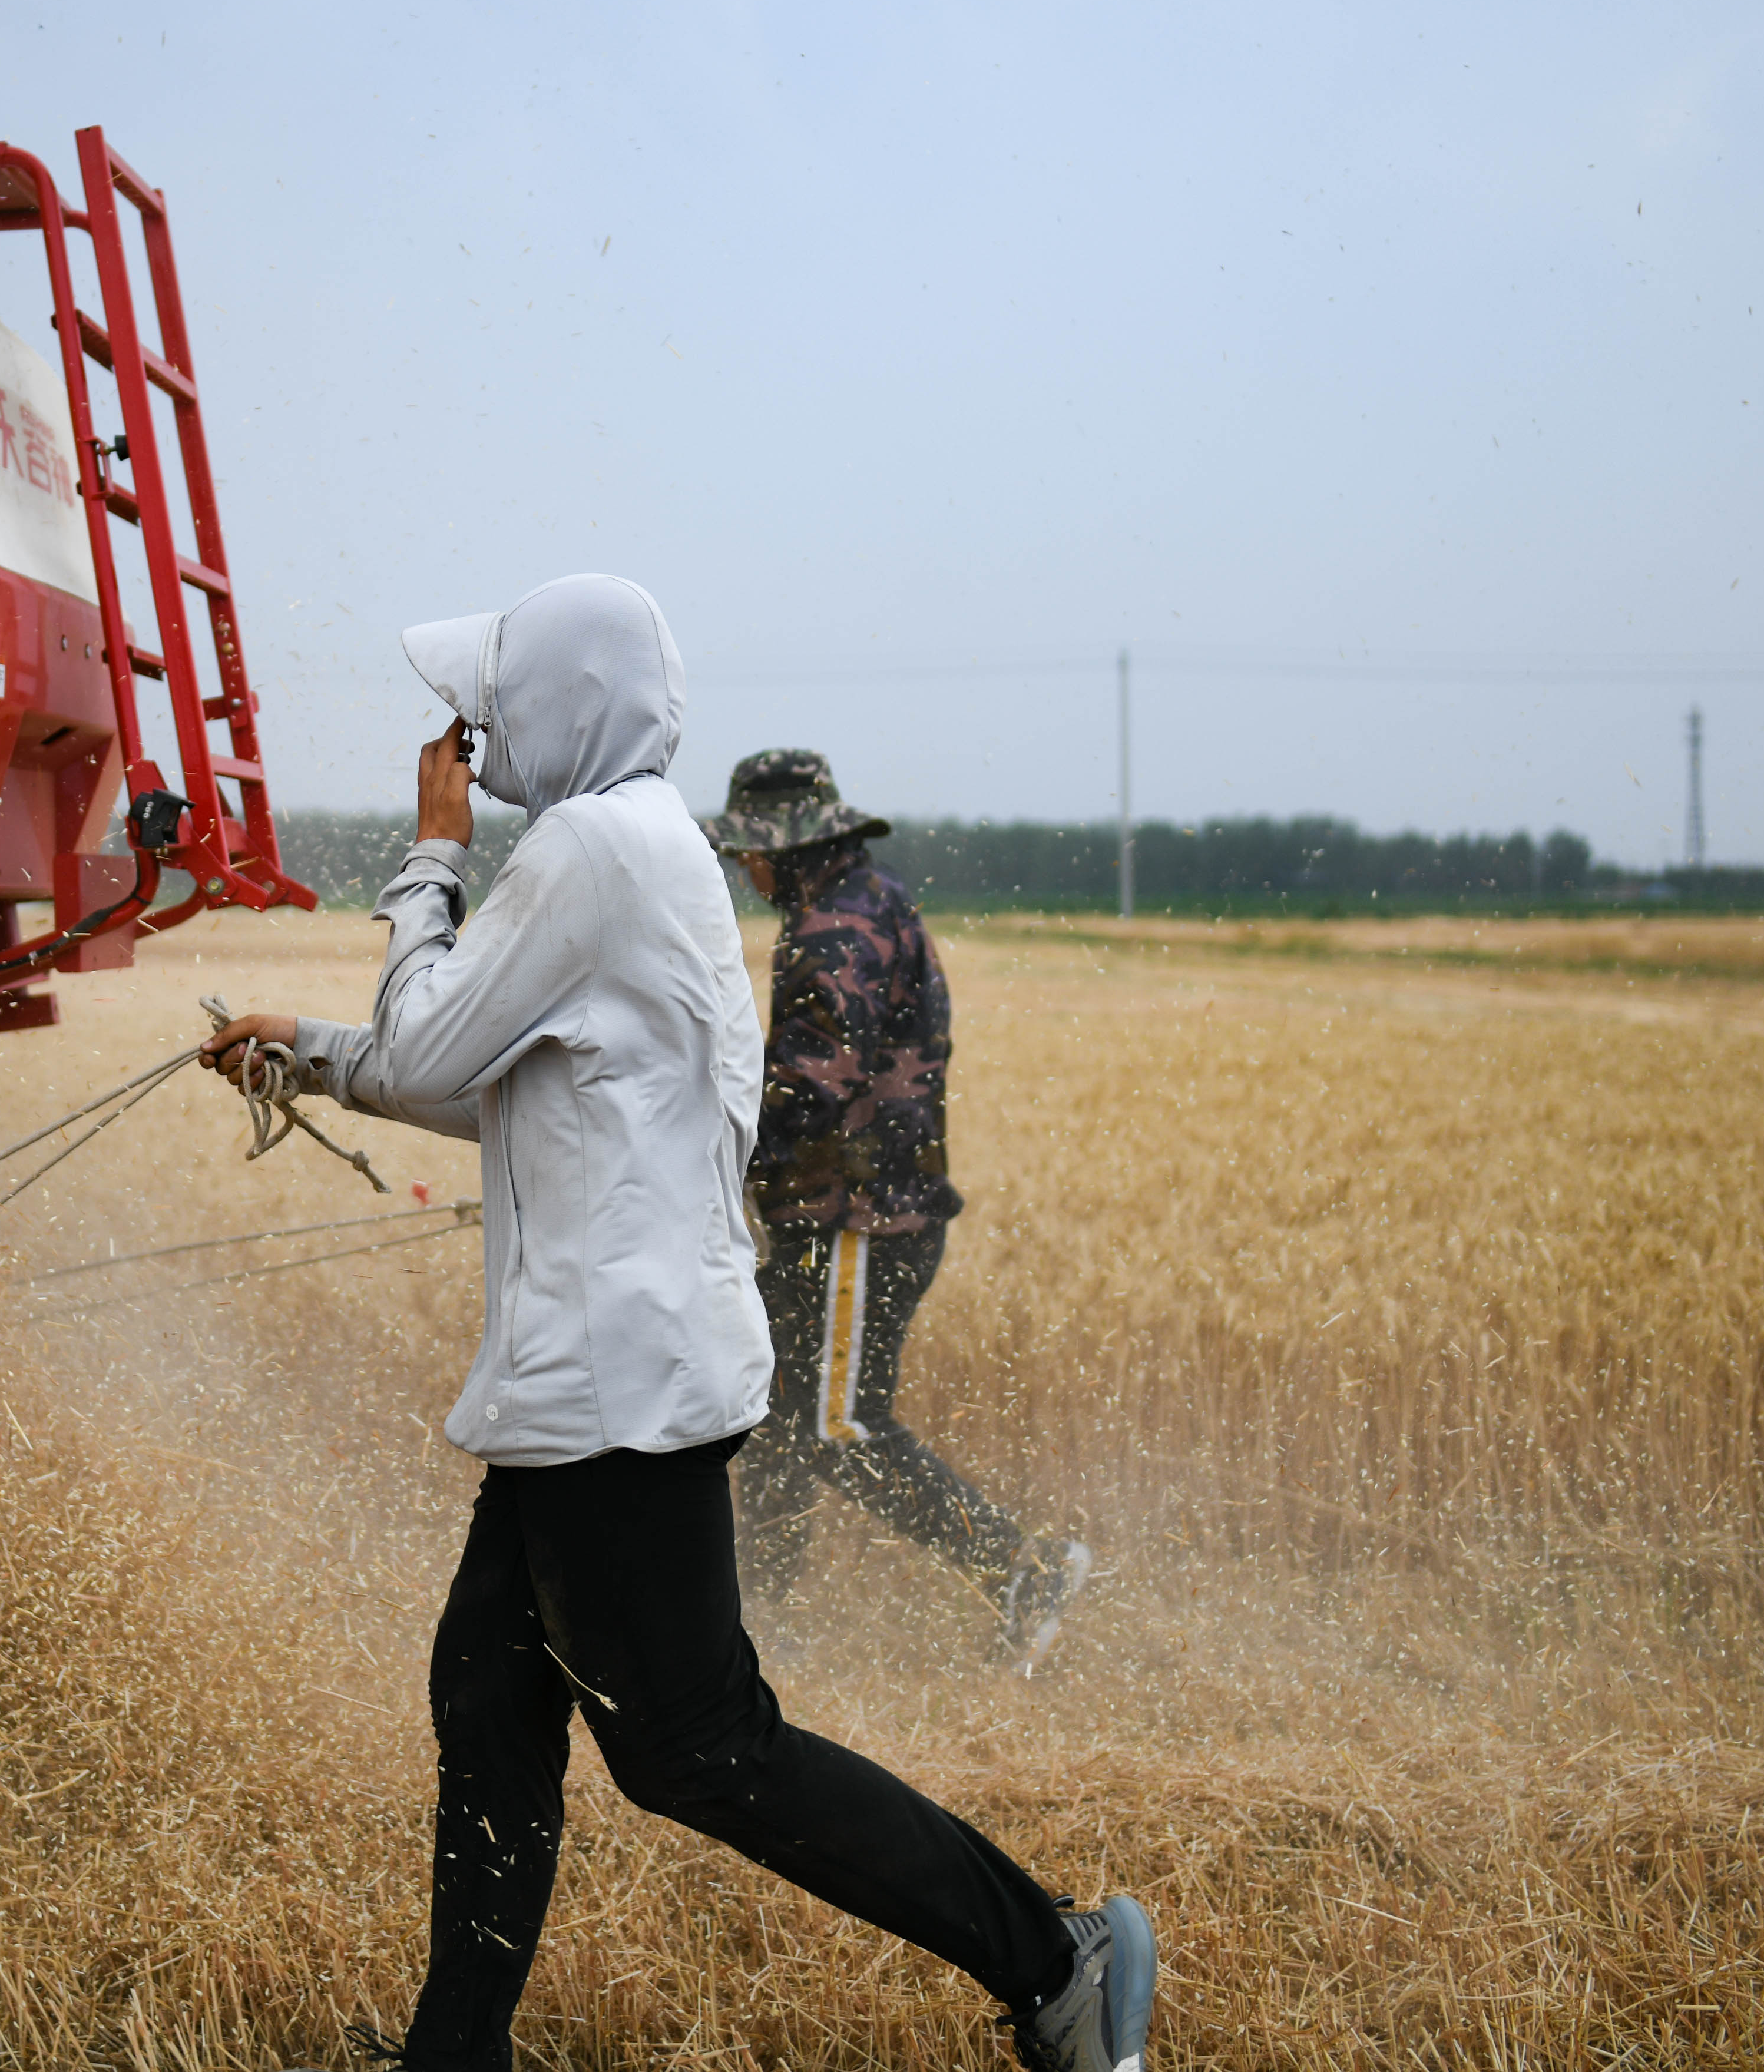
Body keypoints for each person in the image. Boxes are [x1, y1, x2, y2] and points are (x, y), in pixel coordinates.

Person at [201, 577, 1154, 2072]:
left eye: (484, 701)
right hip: (590, 1379)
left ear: (560, 706)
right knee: (488, 1692)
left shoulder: (585, 846)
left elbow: (433, 1034)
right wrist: (310, 1054)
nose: (460, 730)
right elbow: (485, 1077)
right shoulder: (643, 846)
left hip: (609, 1391)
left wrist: (427, 856)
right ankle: (454, 2053)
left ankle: (1050, 1953)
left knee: (701, 1746)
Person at [703, 750, 1093, 1666]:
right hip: (854, 1215)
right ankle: (759, 1627)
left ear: (782, 847)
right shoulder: (872, 899)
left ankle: (1023, 1568)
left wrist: (696, 1148)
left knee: (838, 1426)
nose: (740, 871)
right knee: (775, 1415)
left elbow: (810, 1088)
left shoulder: (833, 930)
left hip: (859, 1222)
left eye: (745, 854)